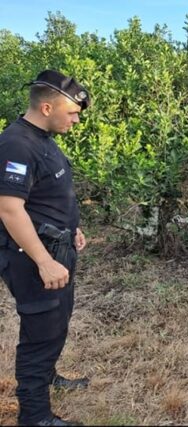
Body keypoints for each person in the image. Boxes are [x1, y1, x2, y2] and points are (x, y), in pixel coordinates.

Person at [0, 70, 91, 426]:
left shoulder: (43, 138)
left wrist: (73, 227)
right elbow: (8, 208)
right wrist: (43, 261)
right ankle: (35, 416)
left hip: (58, 247)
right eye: (72, 113)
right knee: (41, 332)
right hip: (32, 257)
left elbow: (43, 196)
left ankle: (48, 376)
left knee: (58, 321)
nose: (76, 119)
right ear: (48, 106)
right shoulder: (16, 143)